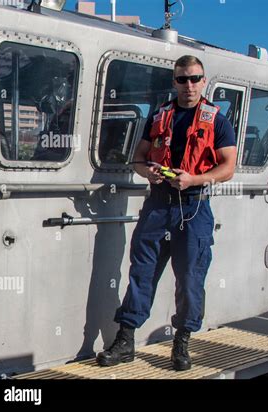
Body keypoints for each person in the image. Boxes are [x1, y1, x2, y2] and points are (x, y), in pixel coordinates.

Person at [97, 55, 237, 371]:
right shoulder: (161, 116)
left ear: (204, 81)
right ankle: (125, 340)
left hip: (194, 206)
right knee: (141, 273)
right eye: (182, 79)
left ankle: (182, 342)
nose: (189, 85)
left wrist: (195, 179)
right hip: (158, 204)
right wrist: (149, 173)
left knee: (190, 279)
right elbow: (139, 157)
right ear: (174, 82)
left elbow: (228, 167)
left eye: (195, 78)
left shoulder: (217, 121)